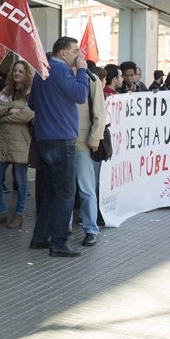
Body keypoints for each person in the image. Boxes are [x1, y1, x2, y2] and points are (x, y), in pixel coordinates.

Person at [28, 37, 88, 257]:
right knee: (65, 194)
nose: (79, 55)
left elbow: (32, 103)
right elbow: (81, 95)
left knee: (51, 192)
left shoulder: (41, 71)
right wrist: (81, 71)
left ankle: (40, 237)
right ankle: (59, 243)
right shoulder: (62, 70)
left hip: (45, 138)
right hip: (62, 139)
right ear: (62, 53)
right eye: (75, 51)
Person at [0, 61, 34, 229]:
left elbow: (28, 114)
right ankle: (2, 211)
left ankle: (19, 214)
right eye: (15, 70)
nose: (17, 73)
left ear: (26, 73)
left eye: (21, 71)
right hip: (3, 141)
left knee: (21, 180)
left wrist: (6, 114)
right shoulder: (6, 91)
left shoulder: (30, 92)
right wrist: (10, 111)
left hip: (21, 141)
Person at [73, 65, 106, 246]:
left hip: (82, 141)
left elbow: (100, 112)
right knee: (67, 189)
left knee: (86, 189)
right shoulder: (63, 75)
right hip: (65, 140)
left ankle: (91, 229)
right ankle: (65, 228)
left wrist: (94, 138)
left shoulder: (91, 78)